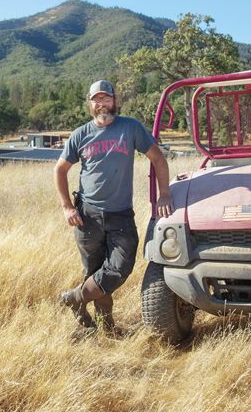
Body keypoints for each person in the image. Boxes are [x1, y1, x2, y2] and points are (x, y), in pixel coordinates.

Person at [54, 79, 174, 331]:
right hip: (88, 216)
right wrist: (67, 207)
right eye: (97, 100)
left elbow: (158, 158)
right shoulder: (80, 135)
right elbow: (60, 170)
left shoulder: (130, 128)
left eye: (106, 99)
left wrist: (164, 194)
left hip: (120, 215)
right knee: (95, 272)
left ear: (115, 101)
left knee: (119, 268)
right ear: (90, 104)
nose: (102, 104)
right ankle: (105, 327)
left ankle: (76, 298)